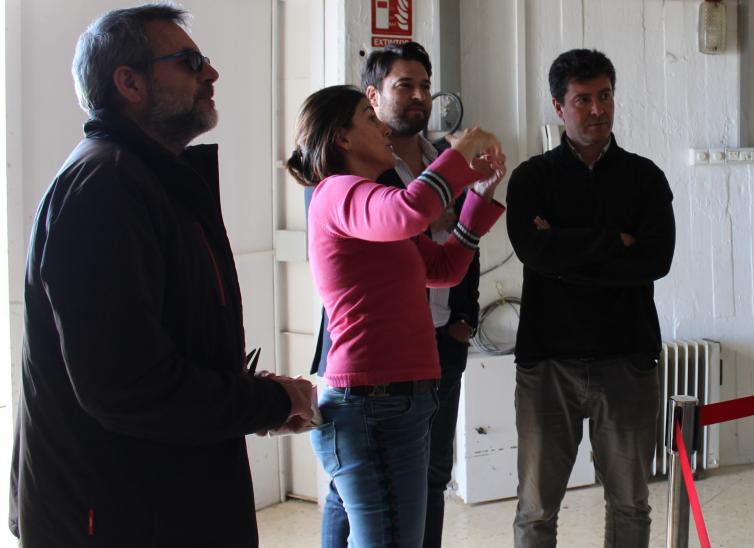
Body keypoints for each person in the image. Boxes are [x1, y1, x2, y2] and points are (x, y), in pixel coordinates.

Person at [9, 4, 316, 547]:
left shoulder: (151, 180)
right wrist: (267, 403)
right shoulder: (105, 188)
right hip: (115, 515)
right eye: (190, 62)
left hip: (161, 498)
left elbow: (169, 346)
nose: (211, 74)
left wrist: (247, 396)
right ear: (128, 81)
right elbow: (129, 387)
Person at [288, 84, 505, 548]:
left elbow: (442, 270)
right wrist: (459, 153)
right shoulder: (338, 193)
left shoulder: (373, 202)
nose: (384, 126)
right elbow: (410, 211)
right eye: (370, 117)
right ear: (341, 138)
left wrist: (479, 194)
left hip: (393, 401)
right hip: (372, 404)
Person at [506, 48, 676, 547]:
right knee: (536, 509)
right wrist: (613, 242)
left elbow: (655, 261)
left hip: (627, 360)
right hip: (547, 365)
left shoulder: (644, 178)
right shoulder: (532, 177)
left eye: (605, 96)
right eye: (583, 99)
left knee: (630, 504)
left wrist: (566, 246)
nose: (598, 109)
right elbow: (534, 254)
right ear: (559, 107)